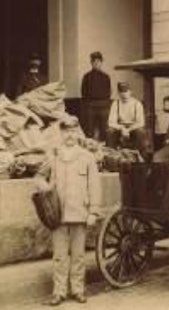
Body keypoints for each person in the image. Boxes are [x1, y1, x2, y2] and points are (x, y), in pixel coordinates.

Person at [35, 115, 101, 306]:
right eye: (66, 131)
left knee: (79, 256)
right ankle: (59, 292)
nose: (69, 135)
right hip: (58, 215)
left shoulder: (87, 157)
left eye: (73, 131)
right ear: (61, 134)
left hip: (80, 214)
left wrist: (93, 212)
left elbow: (94, 186)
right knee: (59, 256)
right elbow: (39, 177)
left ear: (77, 132)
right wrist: (45, 187)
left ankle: (78, 290)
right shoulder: (53, 156)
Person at [106, 82, 146, 154]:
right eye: (121, 92)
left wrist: (129, 129)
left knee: (140, 132)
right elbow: (110, 122)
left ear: (130, 92)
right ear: (118, 93)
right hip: (120, 126)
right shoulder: (115, 103)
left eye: (126, 91)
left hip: (133, 127)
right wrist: (122, 128)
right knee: (110, 131)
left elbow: (141, 122)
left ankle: (140, 157)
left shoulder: (137, 104)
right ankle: (112, 156)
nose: (124, 94)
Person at [81, 51, 111, 142]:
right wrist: (88, 103)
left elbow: (109, 91)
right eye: (94, 62)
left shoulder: (106, 77)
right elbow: (83, 92)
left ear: (101, 63)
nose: (96, 64)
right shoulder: (87, 77)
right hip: (90, 105)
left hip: (103, 105)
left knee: (104, 129)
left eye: (98, 62)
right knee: (89, 130)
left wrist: (105, 103)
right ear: (91, 63)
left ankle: (104, 148)